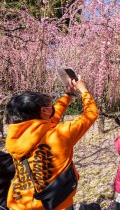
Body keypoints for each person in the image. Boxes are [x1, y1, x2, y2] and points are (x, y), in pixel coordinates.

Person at [5, 77, 98, 210]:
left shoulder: (14, 136)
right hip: (55, 203)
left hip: (20, 203)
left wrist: (68, 94)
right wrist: (83, 90)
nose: (53, 109)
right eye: (50, 107)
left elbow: (51, 118)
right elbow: (91, 114)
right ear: (44, 112)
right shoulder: (60, 134)